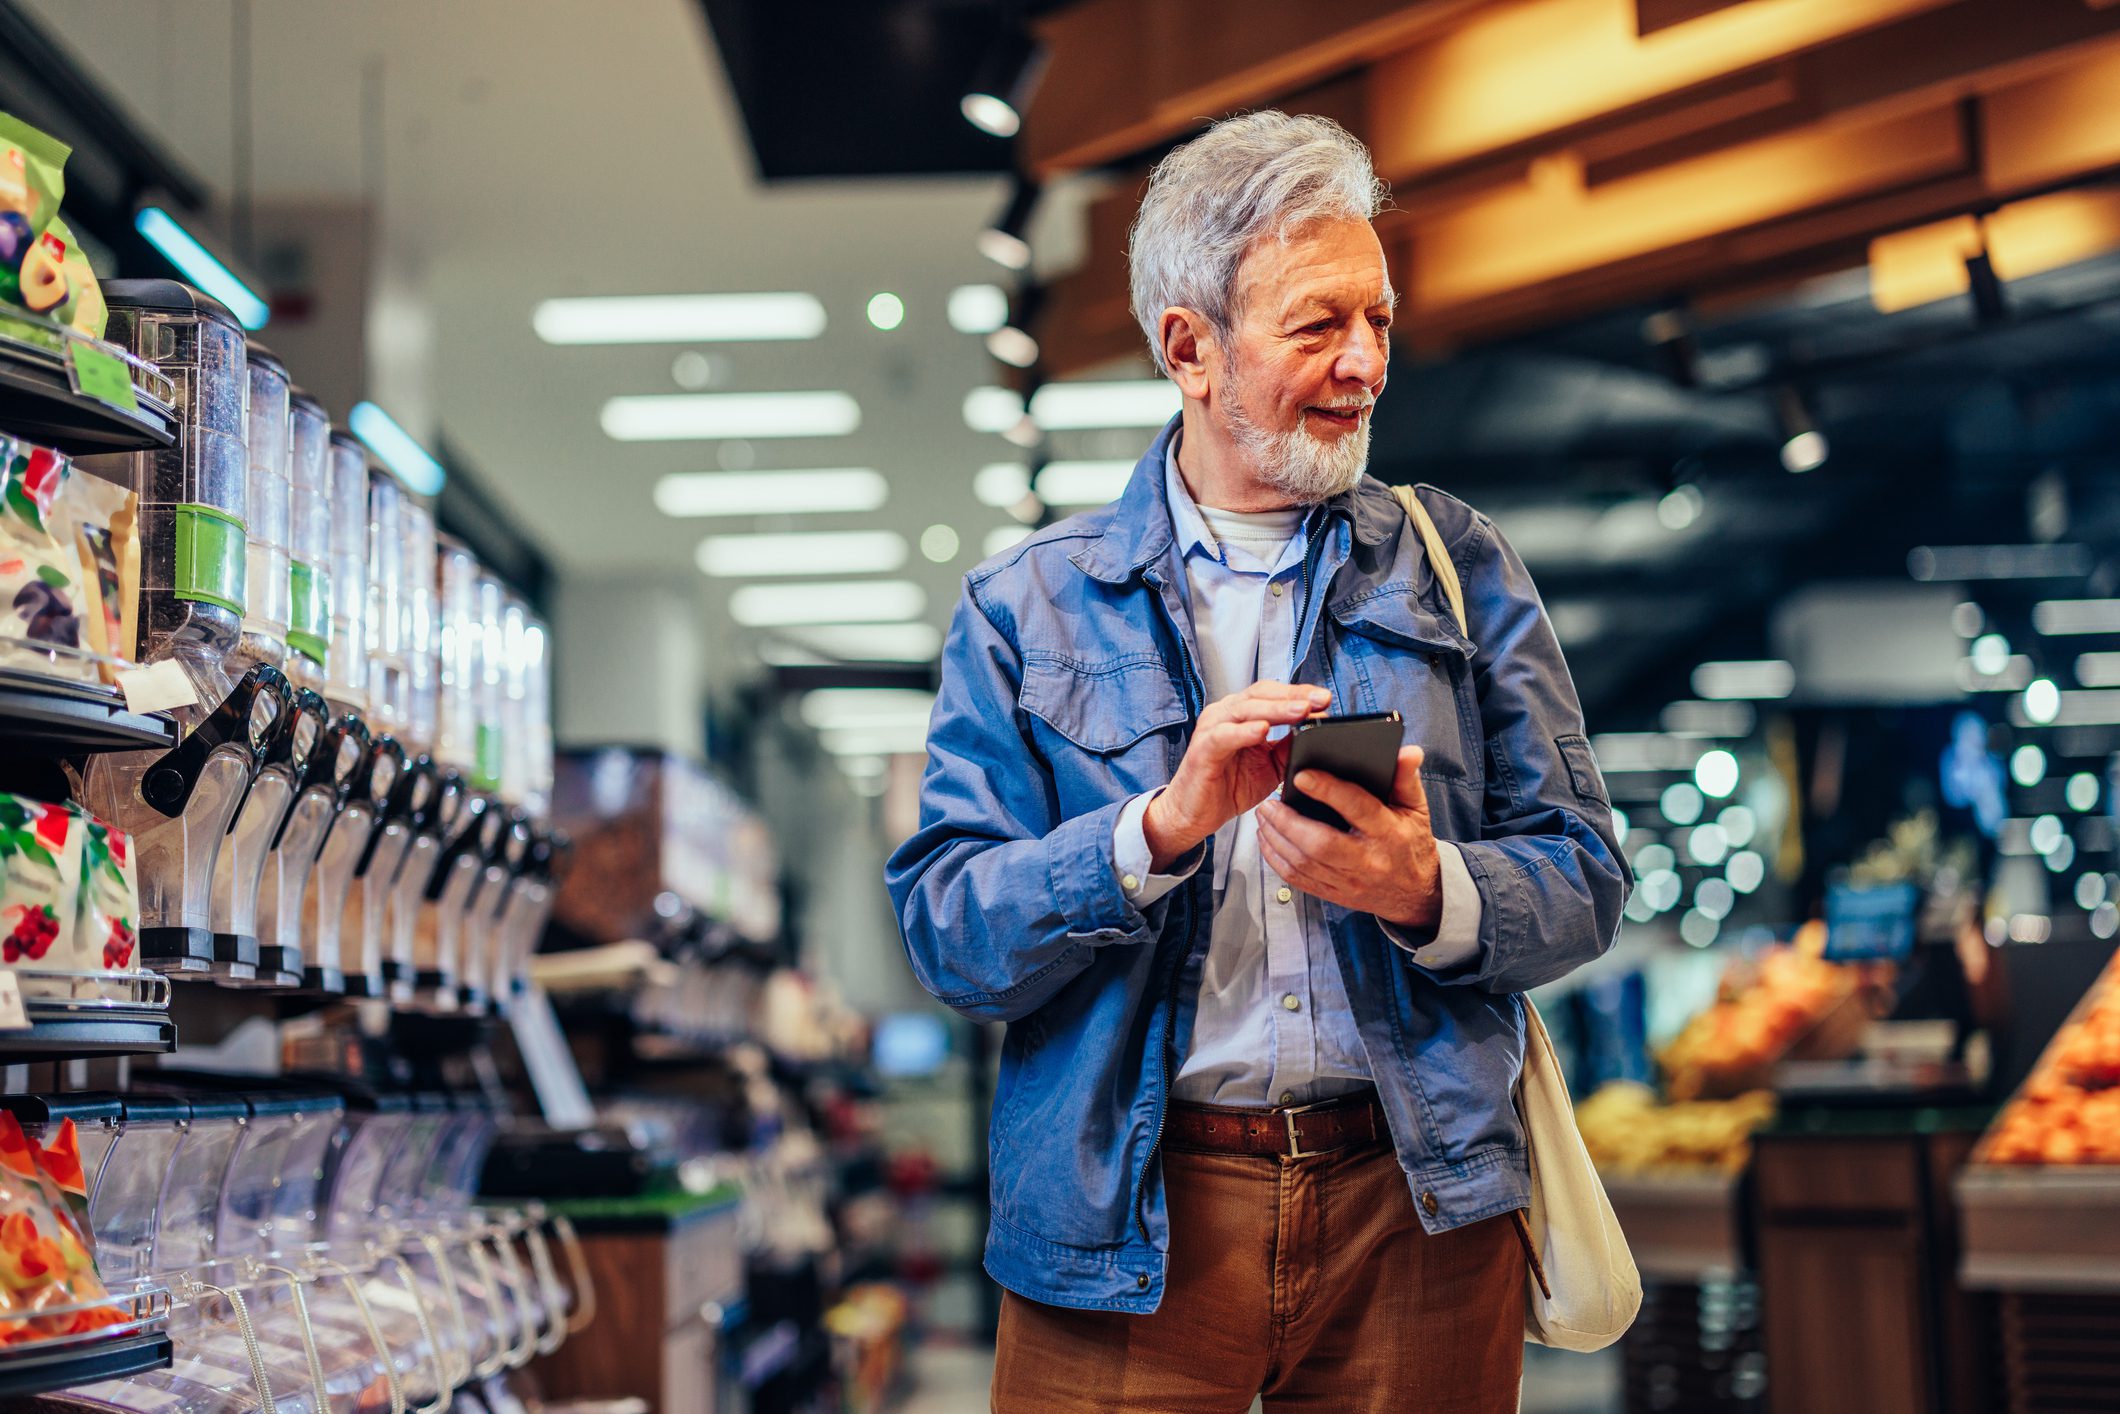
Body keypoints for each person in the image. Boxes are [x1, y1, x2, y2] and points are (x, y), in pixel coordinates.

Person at [886, 111, 1628, 1412]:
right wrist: (1156, 831)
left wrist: (1428, 888)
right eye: (1317, 326)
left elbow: (1584, 873)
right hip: (1125, 1228)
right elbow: (951, 929)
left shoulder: (1459, 568)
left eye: (1379, 320)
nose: (1366, 364)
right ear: (1190, 347)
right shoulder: (1028, 605)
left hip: (1418, 1208)